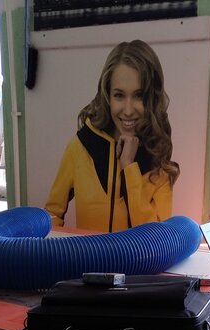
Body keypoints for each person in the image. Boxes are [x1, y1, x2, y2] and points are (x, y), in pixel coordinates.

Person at [44, 40, 180, 232]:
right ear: (107, 95)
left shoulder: (159, 161)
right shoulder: (80, 147)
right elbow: (52, 214)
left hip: (139, 254)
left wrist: (129, 167)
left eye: (139, 95)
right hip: (89, 253)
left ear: (152, 98)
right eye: (119, 95)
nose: (128, 110)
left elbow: (155, 237)